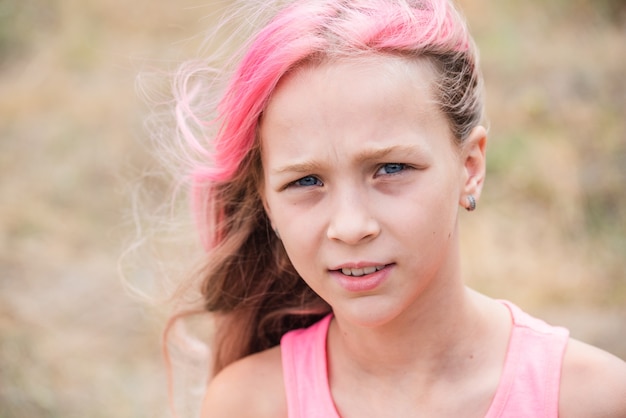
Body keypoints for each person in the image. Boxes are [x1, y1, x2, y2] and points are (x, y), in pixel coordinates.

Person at [166, 0, 626, 416]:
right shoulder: (251, 403)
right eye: (305, 181)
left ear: (470, 166)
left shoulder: (592, 399)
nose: (350, 226)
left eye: (390, 168)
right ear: (266, 200)